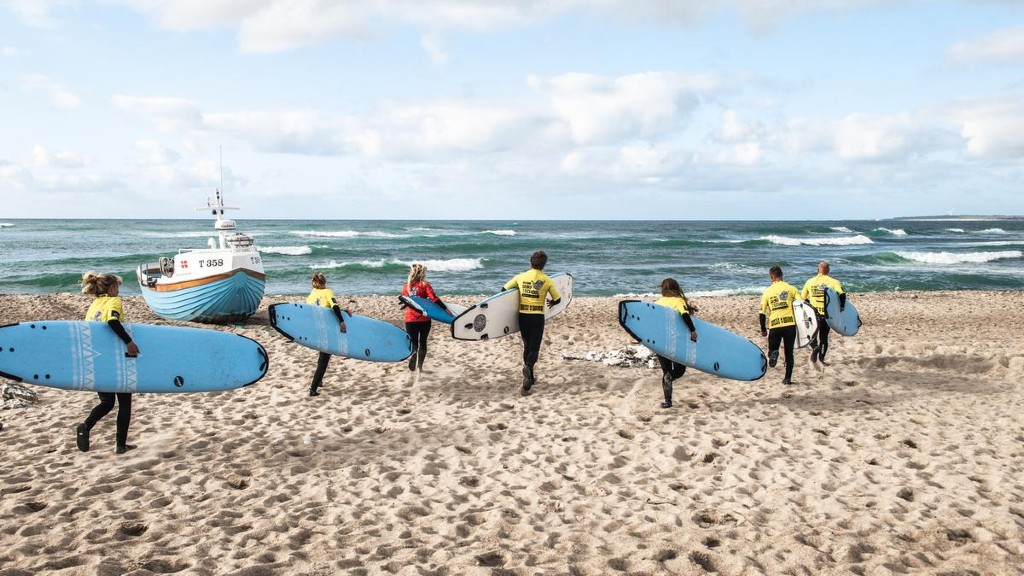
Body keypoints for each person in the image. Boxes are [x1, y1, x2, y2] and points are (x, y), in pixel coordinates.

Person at [76, 272, 141, 455]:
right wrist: (129, 342)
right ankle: (120, 445)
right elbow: (113, 321)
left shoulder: (94, 304)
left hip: (96, 359)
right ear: (112, 287)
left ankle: (86, 426)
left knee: (107, 402)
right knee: (125, 402)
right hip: (115, 360)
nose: (118, 291)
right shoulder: (114, 301)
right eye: (117, 287)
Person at [503, 250, 561, 395]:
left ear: (530, 262)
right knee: (534, 349)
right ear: (544, 264)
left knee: (527, 346)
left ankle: (530, 376)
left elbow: (504, 289)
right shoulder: (547, 280)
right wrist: (552, 303)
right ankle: (528, 367)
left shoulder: (520, 277)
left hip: (523, 316)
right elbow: (558, 299)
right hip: (537, 317)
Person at [653, 278, 698, 409]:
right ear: (676, 288)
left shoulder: (658, 302)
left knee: (666, 372)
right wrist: (692, 330)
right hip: (675, 341)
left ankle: (667, 401)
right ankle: (671, 376)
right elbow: (684, 315)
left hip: (660, 341)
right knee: (680, 369)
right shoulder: (678, 301)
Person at [402, 263, 451, 372]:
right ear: (422, 273)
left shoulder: (406, 286)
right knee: (423, 342)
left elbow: (406, 300)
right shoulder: (425, 285)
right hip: (424, 318)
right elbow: (434, 298)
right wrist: (445, 309)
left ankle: (414, 354)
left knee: (413, 342)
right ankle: (420, 368)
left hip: (410, 318)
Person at [307, 272, 347, 397]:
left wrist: (343, 311)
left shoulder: (312, 294)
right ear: (324, 282)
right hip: (325, 330)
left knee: (323, 356)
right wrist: (342, 321)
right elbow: (334, 307)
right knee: (324, 360)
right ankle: (313, 389)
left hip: (314, 329)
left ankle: (319, 381)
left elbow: (322, 309)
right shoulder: (327, 291)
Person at [759, 265, 799, 385]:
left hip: (775, 325)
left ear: (771, 277)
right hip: (790, 325)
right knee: (789, 353)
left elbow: (762, 312)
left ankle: (774, 353)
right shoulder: (791, 288)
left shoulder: (767, 291)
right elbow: (802, 304)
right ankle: (787, 379)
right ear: (782, 275)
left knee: (771, 351)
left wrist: (763, 329)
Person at [801, 261, 846, 366]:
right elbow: (842, 295)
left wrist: (809, 304)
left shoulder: (809, 282)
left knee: (811, 335)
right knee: (824, 337)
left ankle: (815, 347)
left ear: (818, 270)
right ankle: (821, 359)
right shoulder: (833, 281)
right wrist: (842, 307)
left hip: (813, 315)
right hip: (826, 315)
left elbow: (802, 298)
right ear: (828, 271)